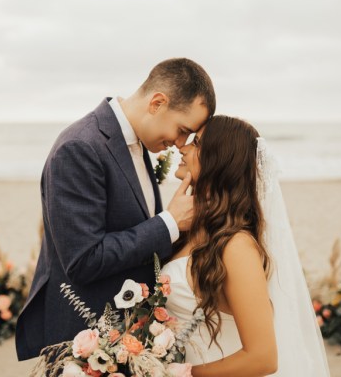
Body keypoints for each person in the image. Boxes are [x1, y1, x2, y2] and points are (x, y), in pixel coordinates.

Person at [16, 58, 216, 361]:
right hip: (82, 338)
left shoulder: (139, 144)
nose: (179, 144)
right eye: (181, 130)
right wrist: (169, 223)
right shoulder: (80, 147)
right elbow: (84, 259)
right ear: (157, 102)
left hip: (126, 340)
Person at [163, 115, 330, 376]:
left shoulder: (236, 246)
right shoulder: (191, 229)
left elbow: (263, 358)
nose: (182, 147)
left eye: (196, 143)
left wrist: (179, 374)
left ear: (219, 160)